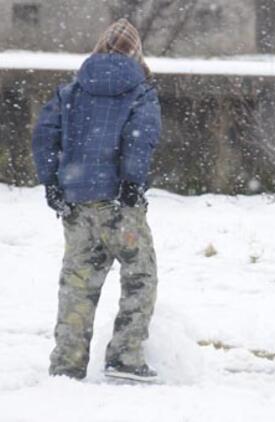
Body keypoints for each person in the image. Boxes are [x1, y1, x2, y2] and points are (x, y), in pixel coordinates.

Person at [31, 19, 161, 382]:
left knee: (77, 284)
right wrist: (131, 183)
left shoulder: (70, 90)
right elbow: (140, 139)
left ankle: (67, 364)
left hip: (76, 203)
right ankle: (125, 356)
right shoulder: (141, 91)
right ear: (136, 53)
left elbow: (44, 136)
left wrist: (53, 184)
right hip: (120, 205)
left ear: (100, 46)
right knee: (140, 277)